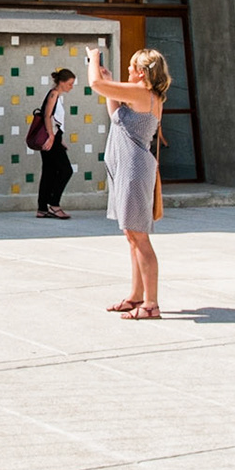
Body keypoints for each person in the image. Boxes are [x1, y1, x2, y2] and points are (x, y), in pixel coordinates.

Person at [87, 44, 168, 320]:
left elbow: (94, 84)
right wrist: (110, 81)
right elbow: (116, 116)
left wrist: (94, 57)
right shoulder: (140, 95)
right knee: (131, 235)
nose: (129, 70)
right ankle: (136, 296)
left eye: (133, 67)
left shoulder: (143, 92)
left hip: (133, 170)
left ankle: (151, 304)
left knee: (139, 237)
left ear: (143, 72)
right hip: (126, 169)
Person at [33, 68, 76, 219]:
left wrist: (60, 138)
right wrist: (51, 136)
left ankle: (42, 208)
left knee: (49, 172)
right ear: (62, 82)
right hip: (50, 138)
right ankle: (54, 205)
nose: (71, 86)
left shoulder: (57, 95)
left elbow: (55, 121)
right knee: (66, 170)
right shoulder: (54, 94)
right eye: (70, 83)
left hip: (54, 138)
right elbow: (47, 115)